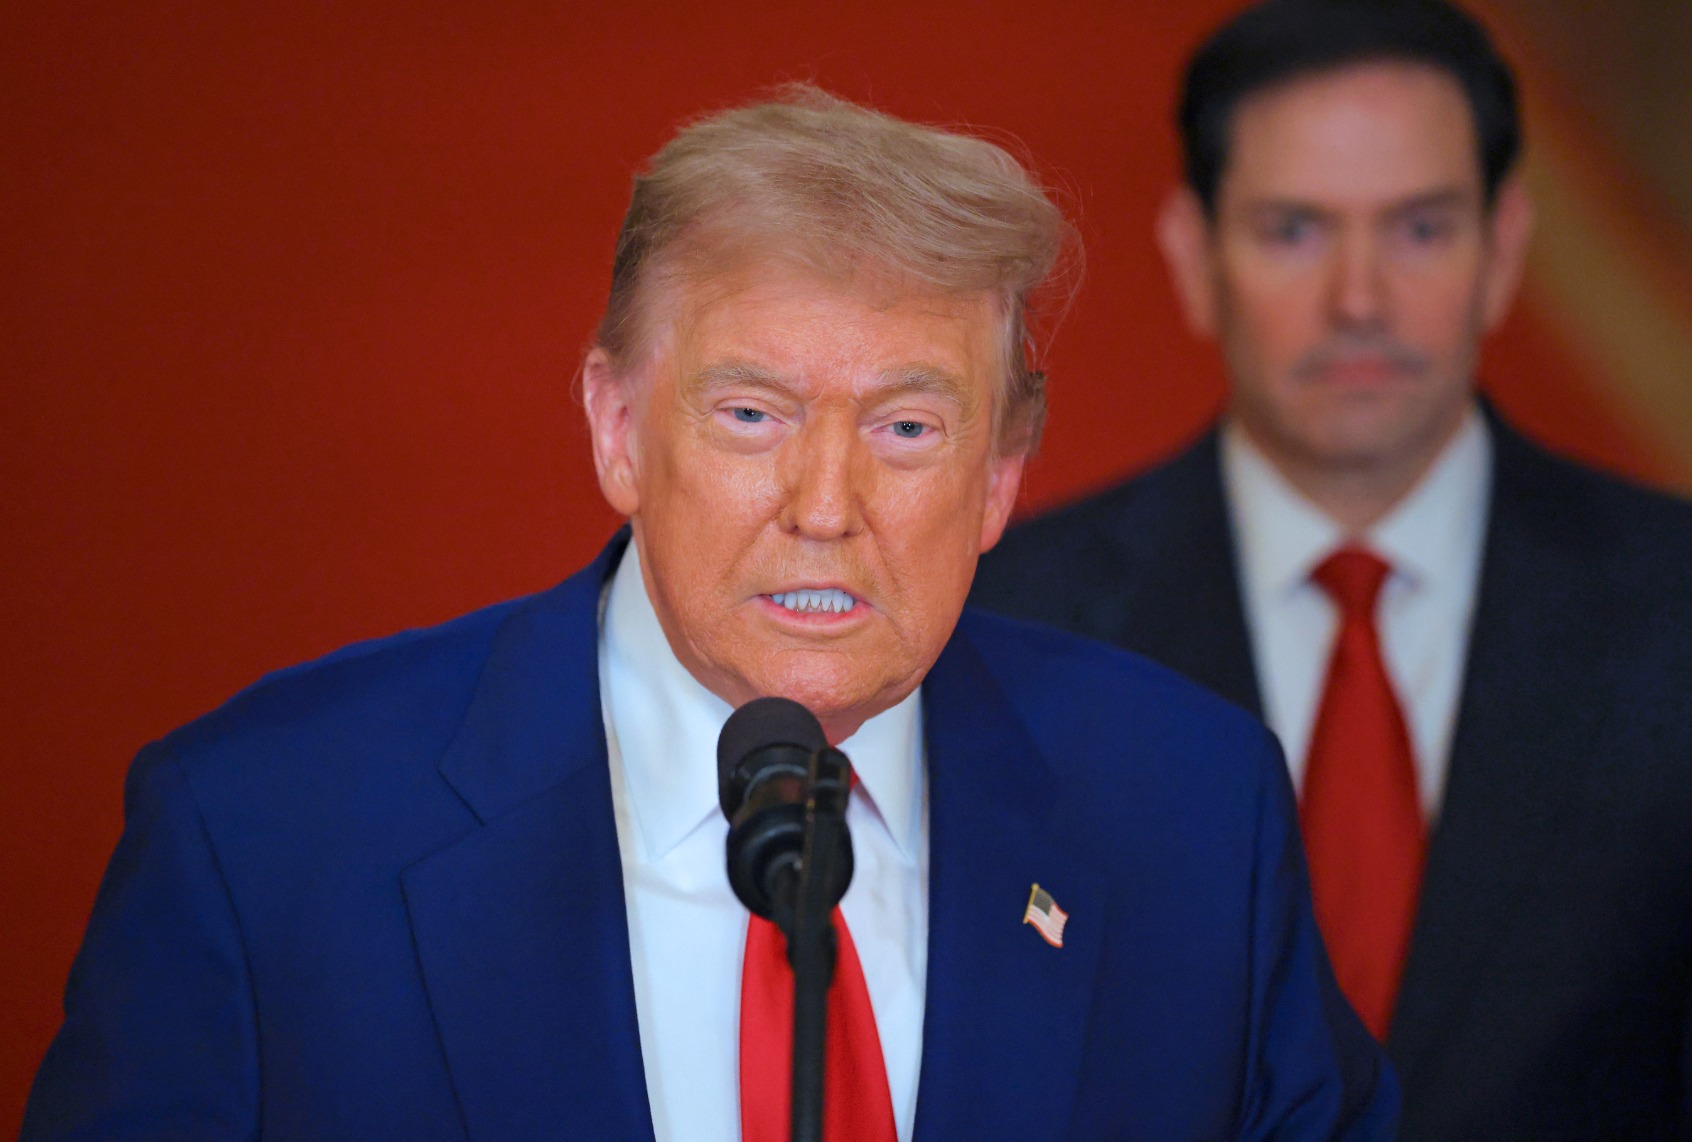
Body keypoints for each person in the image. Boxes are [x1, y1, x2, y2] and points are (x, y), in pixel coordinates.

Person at [24, 86, 1395, 1140]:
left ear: (998, 478)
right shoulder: (264, 837)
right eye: (752, 414)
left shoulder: (1192, 813)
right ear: (619, 429)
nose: (824, 501)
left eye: (909, 426)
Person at [971, 2, 1692, 1138]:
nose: (1359, 299)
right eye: (1295, 230)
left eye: (1418, 229)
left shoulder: (1675, 608)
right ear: (1194, 256)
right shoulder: (1015, 630)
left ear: (1504, 251)